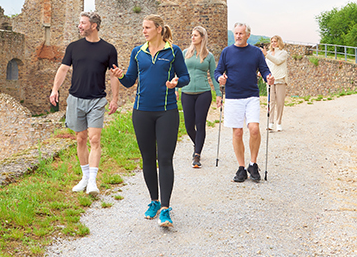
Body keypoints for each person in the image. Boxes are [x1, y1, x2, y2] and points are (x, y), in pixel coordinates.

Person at [110, 14, 190, 228]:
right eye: (143, 27)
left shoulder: (174, 51)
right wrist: (119, 75)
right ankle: (154, 201)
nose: (144, 30)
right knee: (147, 159)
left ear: (159, 29)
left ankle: (165, 208)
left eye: (147, 27)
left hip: (166, 112)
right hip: (141, 112)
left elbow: (185, 77)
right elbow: (129, 81)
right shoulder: (138, 52)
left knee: (164, 159)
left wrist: (176, 82)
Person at [50, 12, 119, 196]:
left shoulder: (109, 49)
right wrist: (55, 89)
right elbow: (63, 69)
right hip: (76, 99)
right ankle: (85, 177)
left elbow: (113, 75)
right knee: (80, 139)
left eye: (82, 23)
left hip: (97, 100)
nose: (79, 26)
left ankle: (93, 182)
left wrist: (114, 98)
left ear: (93, 25)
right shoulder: (73, 47)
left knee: (94, 139)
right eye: (79, 22)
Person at [215, 23, 274, 183]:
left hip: (251, 96)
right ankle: (241, 168)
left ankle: (252, 164)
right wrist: (220, 78)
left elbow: (264, 69)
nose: (238, 36)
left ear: (248, 35)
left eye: (241, 33)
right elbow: (218, 71)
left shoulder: (256, 52)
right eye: (236, 33)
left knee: (254, 129)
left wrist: (268, 77)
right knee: (238, 132)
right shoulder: (227, 52)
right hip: (233, 97)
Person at [179, 26, 221, 168]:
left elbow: (214, 76)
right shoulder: (185, 53)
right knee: (189, 125)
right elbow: (178, 71)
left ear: (202, 37)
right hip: (187, 92)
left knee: (200, 123)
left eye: (195, 35)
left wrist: (219, 94)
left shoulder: (209, 56)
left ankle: (197, 154)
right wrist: (175, 86)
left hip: (204, 92)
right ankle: (197, 144)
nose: (192, 37)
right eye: (192, 35)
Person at [264, 35, 289, 132]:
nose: (273, 43)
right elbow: (267, 65)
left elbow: (277, 62)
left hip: (280, 79)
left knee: (280, 102)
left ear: (279, 42)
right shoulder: (269, 53)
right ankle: (270, 123)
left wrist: (266, 55)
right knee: (271, 102)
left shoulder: (283, 53)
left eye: (275, 41)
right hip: (271, 80)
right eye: (272, 41)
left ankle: (279, 122)